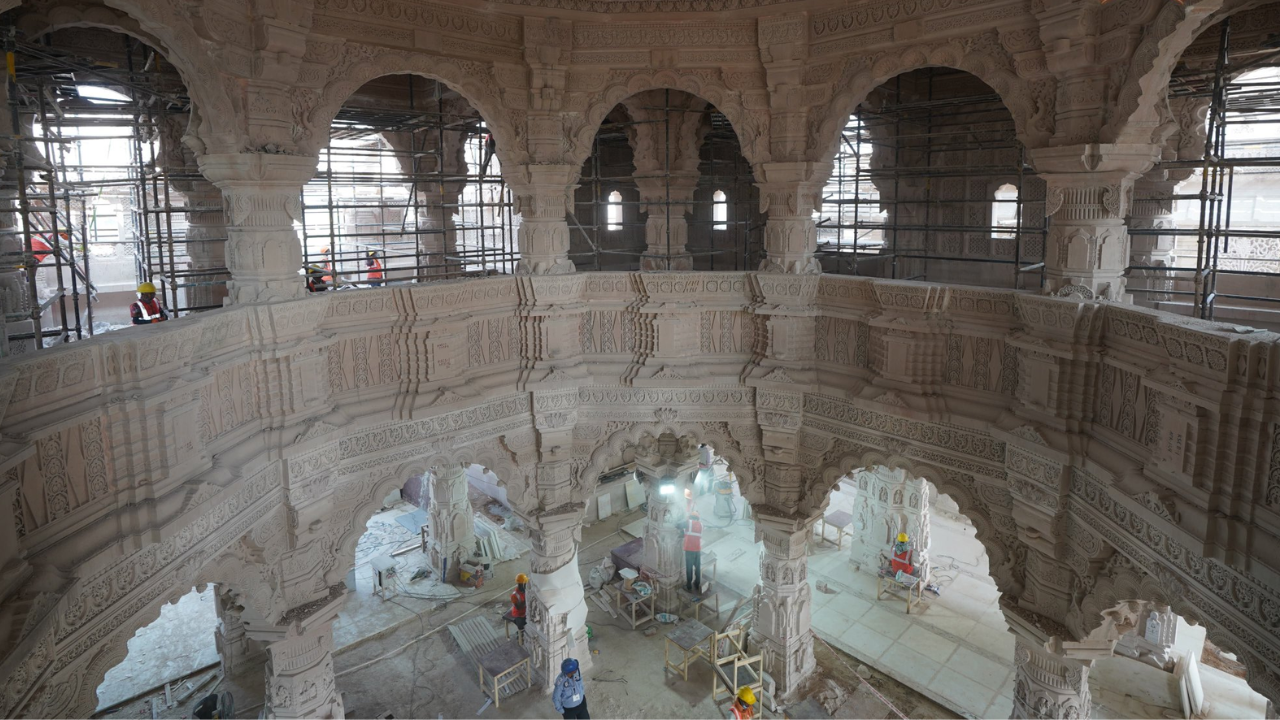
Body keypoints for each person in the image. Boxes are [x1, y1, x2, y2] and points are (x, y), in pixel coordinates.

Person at [684, 509, 703, 592]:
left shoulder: (689, 522)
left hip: (689, 549)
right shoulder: (701, 525)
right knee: (697, 567)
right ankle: (697, 583)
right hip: (697, 549)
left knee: (689, 568)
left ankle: (688, 586)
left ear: (691, 517)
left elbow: (678, 525)